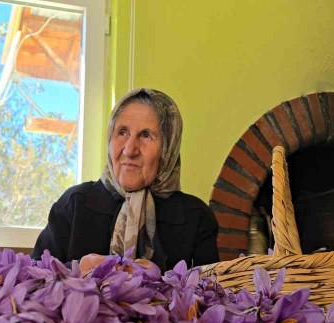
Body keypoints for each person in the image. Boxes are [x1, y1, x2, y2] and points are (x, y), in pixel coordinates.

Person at [32, 87, 219, 273]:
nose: (130, 150)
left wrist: (158, 282)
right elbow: (30, 278)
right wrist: (77, 271)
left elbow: (210, 289)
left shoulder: (196, 218)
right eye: (122, 132)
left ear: (168, 148)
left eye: (146, 135)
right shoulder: (74, 204)